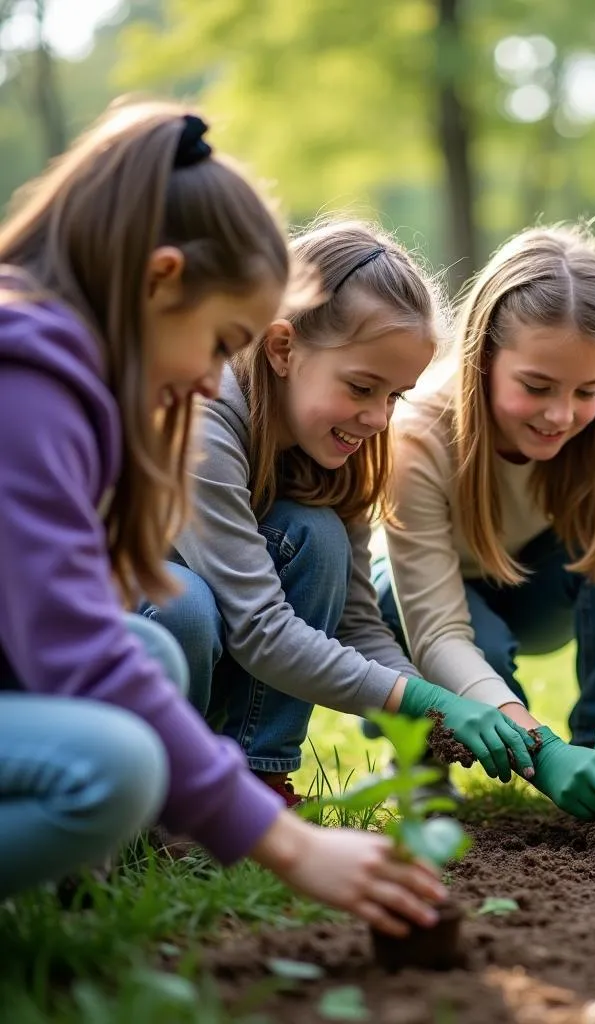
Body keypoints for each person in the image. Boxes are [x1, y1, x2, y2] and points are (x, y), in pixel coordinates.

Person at [0, 100, 445, 936]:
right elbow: (72, 651)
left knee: (153, 657)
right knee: (119, 762)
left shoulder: (67, 377)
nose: (213, 382)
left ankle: (73, 887)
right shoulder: (25, 384)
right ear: (159, 280)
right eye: (215, 343)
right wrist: (287, 846)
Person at [142, 220, 537, 806]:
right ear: (282, 349)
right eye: (361, 387)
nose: (379, 418)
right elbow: (260, 627)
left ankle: (256, 782)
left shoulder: (335, 444)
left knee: (315, 536)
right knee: (187, 604)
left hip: (205, 652)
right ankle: (163, 797)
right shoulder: (199, 419)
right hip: (103, 637)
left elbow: (354, 623)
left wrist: (441, 712)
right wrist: (430, 703)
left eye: (395, 395)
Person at [376, 224, 595, 834]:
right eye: (536, 386)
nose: (560, 415)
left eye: (587, 391)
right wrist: (540, 753)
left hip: (542, 590)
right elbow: (440, 631)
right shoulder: (418, 433)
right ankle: (421, 764)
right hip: (431, 607)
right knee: (464, 638)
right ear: (485, 358)